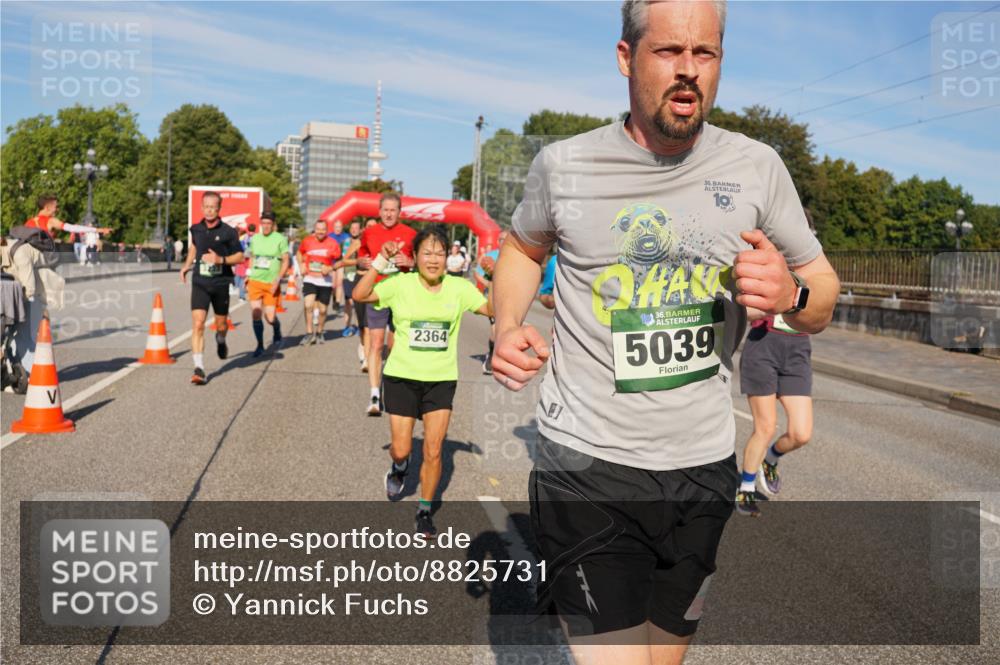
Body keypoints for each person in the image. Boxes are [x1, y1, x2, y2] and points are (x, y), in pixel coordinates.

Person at [491, 2, 840, 663]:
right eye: (668, 52)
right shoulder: (565, 165)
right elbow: (521, 250)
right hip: (587, 466)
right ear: (626, 59)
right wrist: (507, 322)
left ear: (719, 64)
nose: (687, 71)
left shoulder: (758, 167)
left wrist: (790, 293)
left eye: (703, 54)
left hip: (702, 469)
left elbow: (821, 295)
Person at [353, 226, 492, 537]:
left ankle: (425, 511)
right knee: (402, 449)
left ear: (448, 258)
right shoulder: (400, 284)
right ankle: (400, 467)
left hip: (440, 381)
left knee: (433, 449)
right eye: (427, 253)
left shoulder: (458, 288)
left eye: (440, 254)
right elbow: (360, 295)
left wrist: (492, 278)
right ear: (414, 257)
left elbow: (492, 309)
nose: (433, 259)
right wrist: (380, 261)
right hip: (402, 377)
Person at [735, 313, 813, 516]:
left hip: (798, 347)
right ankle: (745, 490)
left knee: (801, 434)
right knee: (765, 427)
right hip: (764, 342)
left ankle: (769, 459)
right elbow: (747, 307)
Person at [357, 193, 417, 416]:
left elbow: (423, 261)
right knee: (376, 343)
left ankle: (390, 380)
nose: (389, 214)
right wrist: (361, 261)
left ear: (399, 212)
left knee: (395, 345)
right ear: (379, 212)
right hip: (378, 293)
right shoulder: (370, 233)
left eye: (393, 210)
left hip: (402, 294)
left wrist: (410, 262)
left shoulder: (410, 234)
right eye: (386, 210)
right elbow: (362, 255)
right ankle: (374, 395)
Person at [179, 191, 244, 385]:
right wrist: (186, 265)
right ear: (202, 207)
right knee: (198, 324)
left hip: (220, 283)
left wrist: (220, 260)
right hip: (200, 282)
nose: (209, 210)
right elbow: (194, 247)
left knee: (221, 324)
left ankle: (221, 339)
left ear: (219, 208)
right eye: (206, 206)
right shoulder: (196, 229)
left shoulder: (228, 232)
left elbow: (239, 257)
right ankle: (199, 368)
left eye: (213, 207)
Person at [246, 212, 289, 357]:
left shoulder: (280, 239)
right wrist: (248, 274)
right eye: (263, 223)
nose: (265, 226)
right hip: (255, 281)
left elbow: (286, 261)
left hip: (271, 283)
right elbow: (252, 257)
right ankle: (259, 345)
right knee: (256, 313)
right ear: (260, 223)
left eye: (268, 223)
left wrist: (278, 279)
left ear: (273, 224)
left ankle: (276, 328)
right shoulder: (255, 239)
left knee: (270, 318)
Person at [298, 219, 341, 345]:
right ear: (314, 229)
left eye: (323, 229)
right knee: (308, 305)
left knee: (322, 310)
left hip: (325, 281)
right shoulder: (307, 241)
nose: (320, 232)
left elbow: (339, 261)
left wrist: (330, 268)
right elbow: (299, 252)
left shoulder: (333, 244)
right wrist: (301, 264)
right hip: (310, 278)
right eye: (318, 229)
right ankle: (309, 333)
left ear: (327, 230)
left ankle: (320, 331)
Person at [474, 230, 506, 374]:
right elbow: (477, 273)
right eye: (500, 239)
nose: (502, 242)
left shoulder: (516, 258)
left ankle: (504, 358)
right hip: (493, 299)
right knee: (495, 328)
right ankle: (492, 356)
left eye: (505, 239)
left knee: (508, 328)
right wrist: (490, 285)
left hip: (511, 299)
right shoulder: (490, 256)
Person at [339, 219, 363, 337]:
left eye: (356, 228)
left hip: (360, 275)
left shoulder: (363, 242)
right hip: (347, 275)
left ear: (360, 230)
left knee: (358, 302)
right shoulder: (346, 242)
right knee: (348, 302)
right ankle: (347, 326)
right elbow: (342, 260)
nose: (354, 230)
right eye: (352, 228)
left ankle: (359, 326)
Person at [328, 219, 351, 316]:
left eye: (339, 227)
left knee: (339, 282)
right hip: (331, 262)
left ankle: (337, 302)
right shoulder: (329, 236)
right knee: (333, 284)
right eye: (336, 227)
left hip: (341, 262)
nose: (338, 229)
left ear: (342, 228)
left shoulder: (346, 236)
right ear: (333, 227)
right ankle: (334, 297)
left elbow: (348, 249)